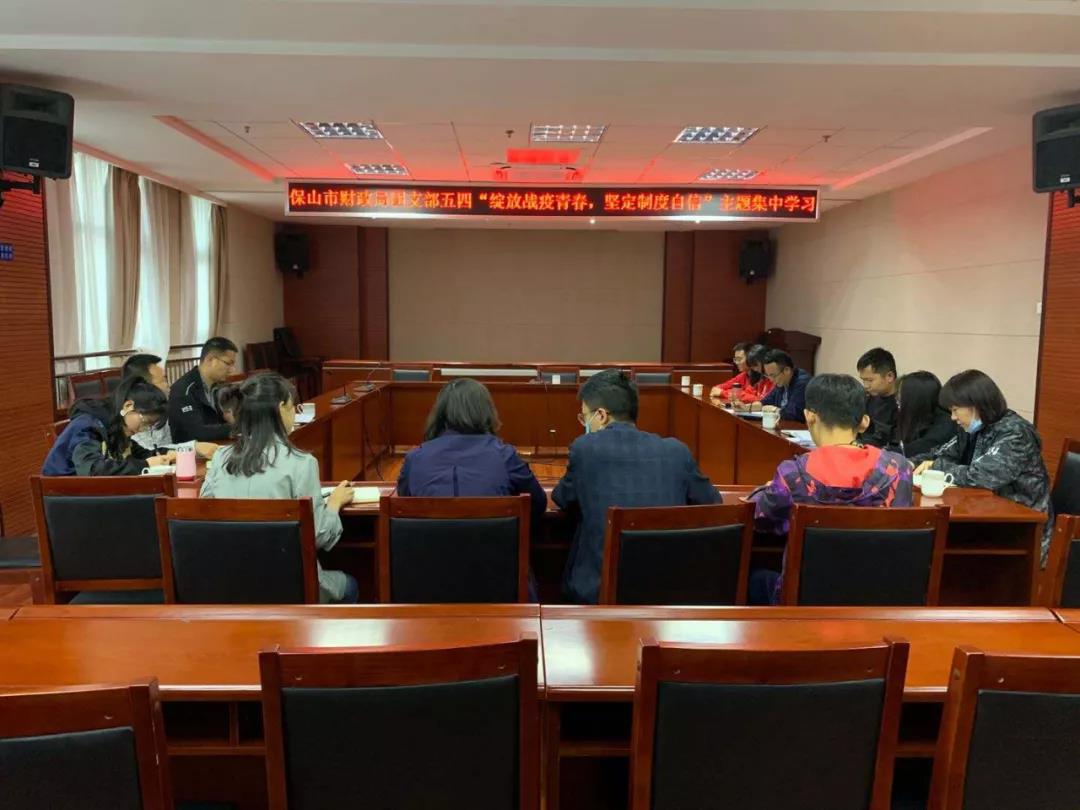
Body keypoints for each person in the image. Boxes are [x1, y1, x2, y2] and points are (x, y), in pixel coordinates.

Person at [552, 369, 722, 604]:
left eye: (584, 417)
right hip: (672, 592)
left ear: (601, 415)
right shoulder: (676, 451)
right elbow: (712, 503)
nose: (583, 423)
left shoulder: (585, 448)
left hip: (601, 592)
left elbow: (562, 498)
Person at [748, 374, 914, 605]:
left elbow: (758, 516)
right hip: (878, 599)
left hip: (806, 600)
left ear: (810, 416)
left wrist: (765, 490)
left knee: (750, 579)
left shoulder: (793, 474)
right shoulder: (898, 469)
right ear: (864, 422)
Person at [199, 373, 358, 604]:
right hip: (289, 584)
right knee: (351, 585)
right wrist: (334, 504)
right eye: (293, 407)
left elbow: (205, 512)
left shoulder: (220, 458)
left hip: (229, 582)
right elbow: (318, 535)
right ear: (281, 408)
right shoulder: (301, 463)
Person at [912, 369, 1052, 561]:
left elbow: (980, 477)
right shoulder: (973, 428)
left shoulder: (1015, 434)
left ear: (977, 405)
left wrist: (937, 466)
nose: (952, 417)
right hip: (985, 515)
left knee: (938, 544)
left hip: (1022, 529)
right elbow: (939, 454)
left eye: (955, 410)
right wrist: (910, 463)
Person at [398, 378, 548, 526]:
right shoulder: (505, 456)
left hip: (427, 541)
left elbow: (404, 506)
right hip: (494, 541)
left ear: (440, 414)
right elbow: (538, 504)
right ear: (486, 412)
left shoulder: (415, 458)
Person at [42, 377, 177, 476]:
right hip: (64, 495)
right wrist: (146, 465)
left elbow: (140, 455)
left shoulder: (116, 425)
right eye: (145, 422)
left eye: (150, 426)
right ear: (128, 406)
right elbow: (92, 470)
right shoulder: (88, 426)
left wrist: (168, 454)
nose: (143, 429)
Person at [122, 353, 219, 458]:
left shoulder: (165, 406)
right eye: (163, 380)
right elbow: (148, 453)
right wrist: (193, 448)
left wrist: (194, 448)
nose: (168, 386)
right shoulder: (131, 416)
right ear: (145, 386)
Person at [169, 337, 238, 443]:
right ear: (210, 359)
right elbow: (198, 432)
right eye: (228, 363)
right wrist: (237, 427)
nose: (232, 370)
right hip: (193, 450)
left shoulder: (217, 386)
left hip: (216, 445)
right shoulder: (183, 390)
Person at [895, 371, 957, 458]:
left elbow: (919, 449)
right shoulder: (917, 417)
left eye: (901, 395)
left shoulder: (945, 425)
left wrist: (883, 452)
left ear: (915, 398)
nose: (897, 399)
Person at [751, 349, 811, 423]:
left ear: (787, 370)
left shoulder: (802, 383)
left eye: (773, 375)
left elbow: (793, 414)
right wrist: (746, 408)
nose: (771, 380)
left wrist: (774, 410)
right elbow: (765, 402)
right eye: (768, 375)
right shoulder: (781, 381)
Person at [857, 347, 899, 448]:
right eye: (863, 380)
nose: (866, 386)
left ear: (889, 376)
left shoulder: (902, 405)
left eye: (870, 380)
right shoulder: (865, 399)